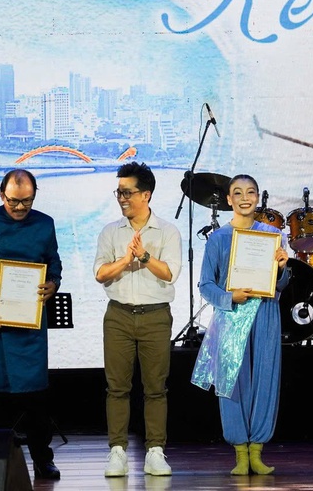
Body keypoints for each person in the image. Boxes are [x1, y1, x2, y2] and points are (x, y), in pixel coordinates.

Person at [0, 169, 64, 480]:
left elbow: (54, 262)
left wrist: (53, 284)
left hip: (31, 326)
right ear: (1, 194)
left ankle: (42, 459)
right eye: (13, 202)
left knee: (36, 397)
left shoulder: (45, 224)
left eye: (27, 202)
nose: (20, 208)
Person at [191, 174, 290, 476]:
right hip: (232, 315)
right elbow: (205, 284)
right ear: (229, 200)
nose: (245, 197)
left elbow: (281, 285)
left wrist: (284, 268)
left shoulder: (273, 235)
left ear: (258, 198)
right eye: (238, 193)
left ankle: (257, 451)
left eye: (250, 192)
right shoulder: (218, 239)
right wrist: (228, 296)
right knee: (232, 384)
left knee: (264, 380)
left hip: (265, 313)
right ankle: (240, 453)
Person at [93, 163, 183, 477]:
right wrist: (125, 259)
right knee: (116, 387)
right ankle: (117, 451)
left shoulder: (167, 231)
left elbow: (170, 274)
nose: (121, 198)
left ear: (146, 194)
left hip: (155, 316)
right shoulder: (110, 231)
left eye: (127, 192)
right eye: (118, 192)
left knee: (155, 388)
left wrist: (144, 257)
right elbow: (100, 274)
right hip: (118, 314)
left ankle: (155, 451)